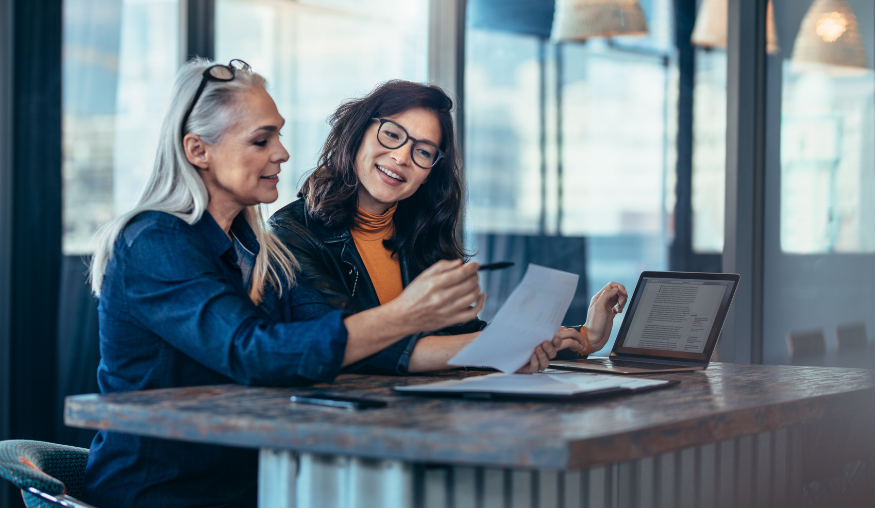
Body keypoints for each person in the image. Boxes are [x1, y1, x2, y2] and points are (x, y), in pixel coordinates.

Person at [82, 60, 563, 508]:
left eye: (280, 137)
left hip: (254, 478)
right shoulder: (153, 241)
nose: (283, 153)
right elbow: (254, 353)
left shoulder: (254, 246)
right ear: (197, 150)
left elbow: (333, 334)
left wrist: (517, 343)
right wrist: (407, 314)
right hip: (164, 491)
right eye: (261, 141)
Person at [269, 80, 628, 369]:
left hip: (425, 418)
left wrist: (584, 337)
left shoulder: (420, 235)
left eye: (423, 151)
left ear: (429, 174)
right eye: (392, 134)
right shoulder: (291, 233)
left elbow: (462, 336)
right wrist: (503, 346)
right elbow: (350, 345)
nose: (401, 157)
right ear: (357, 132)